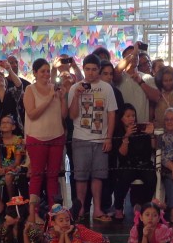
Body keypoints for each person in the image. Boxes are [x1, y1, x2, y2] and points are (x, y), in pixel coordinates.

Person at [67, 54, 118, 222]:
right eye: (87, 69)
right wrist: (77, 96)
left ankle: (97, 209)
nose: (90, 72)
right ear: (83, 69)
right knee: (80, 177)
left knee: (98, 176)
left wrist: (109, 138)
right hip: (80, 138)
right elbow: (72, 115)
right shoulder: (75, 88)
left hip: (100, 139)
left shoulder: (107, 88)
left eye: (94, 69)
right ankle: (80, 208)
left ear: (99, 70)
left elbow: (111, 114)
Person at [22, 57, 68, 225]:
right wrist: (49, 98)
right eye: (42, 71)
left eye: (48, 71)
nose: (46, 74)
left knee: (52, 176)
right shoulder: (30, 89)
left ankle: (54, 213)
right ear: (34, 73)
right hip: (37, 138)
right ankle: (33, 213)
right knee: (37, 175)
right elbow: (32, 114)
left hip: (56, 136)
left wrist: (62, 98)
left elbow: (64, 115)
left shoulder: (55, 89)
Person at [111, 104, 157, 220]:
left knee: (151, 178)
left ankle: (145, 208)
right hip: (128, 164)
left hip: (144, 164)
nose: (131, 118)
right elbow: (122, 154)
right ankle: (118, 208)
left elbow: (153, 148)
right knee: (123, 178)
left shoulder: (141, 129)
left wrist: (151, 134)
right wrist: (127, 136)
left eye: (133, 116)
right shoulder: (119, 133)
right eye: (128, 116)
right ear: (121, 118)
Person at [0, 115, 26, 217]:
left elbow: (17, 161)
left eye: (7, 122)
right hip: (2, 166)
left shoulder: (18, 140)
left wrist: (6, 169)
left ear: (13, 127)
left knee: (9, 176)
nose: (4, 124)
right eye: (2, 122)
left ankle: (11, 201)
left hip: (15, 166)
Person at [0, 61, 23, 139]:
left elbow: (19, 86)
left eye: (1, 77)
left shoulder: (12, 92)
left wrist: (9, 70)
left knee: (17, 147)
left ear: (5, 81)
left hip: (15, 131)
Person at [153, 66, 173, 131]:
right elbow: (151, 111)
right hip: (159, 129)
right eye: (165, 81)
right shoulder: (157, 93)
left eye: (170, 80)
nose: (168, 83)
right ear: (160, 81)